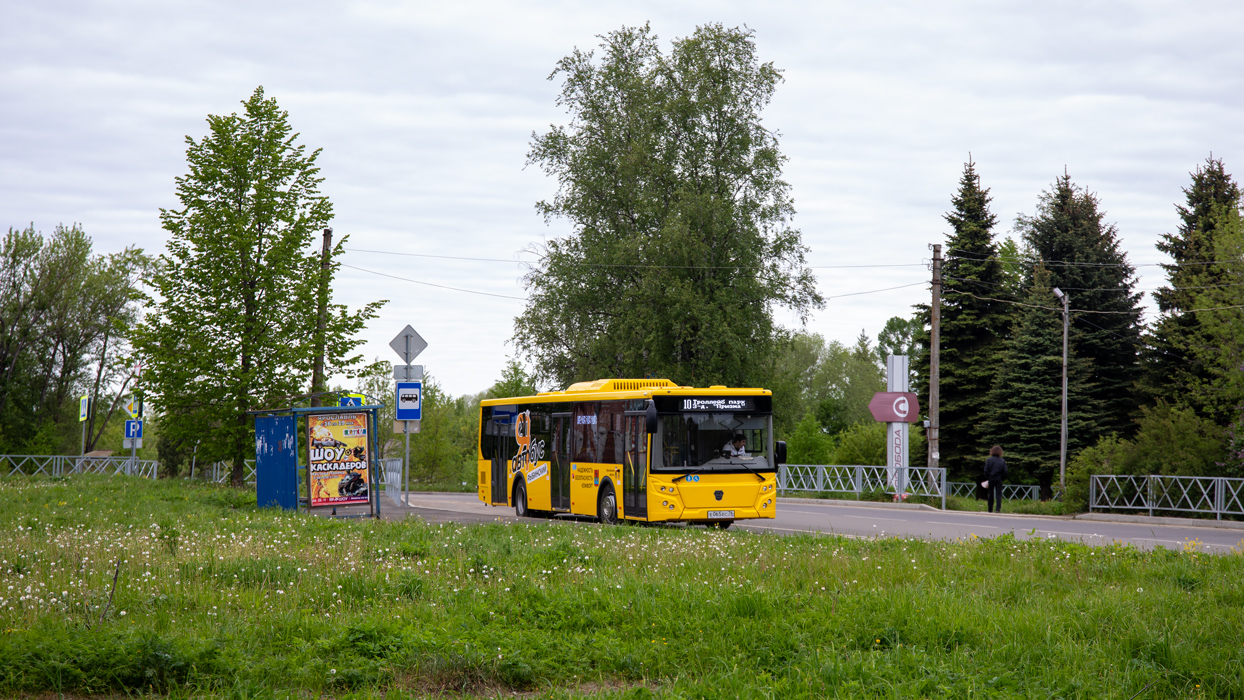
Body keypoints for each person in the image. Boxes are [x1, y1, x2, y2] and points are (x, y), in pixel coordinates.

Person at [982, 445, 1007, 513]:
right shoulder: (1002, 461)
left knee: (990, 493)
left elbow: (986, 470)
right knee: (999, 494)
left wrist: (987, 478)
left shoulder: (989, 460)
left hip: (991, 478)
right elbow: (1005, 471)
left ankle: (990, 509)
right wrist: (1002, 478)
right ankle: (998, 509)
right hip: (999, 478)